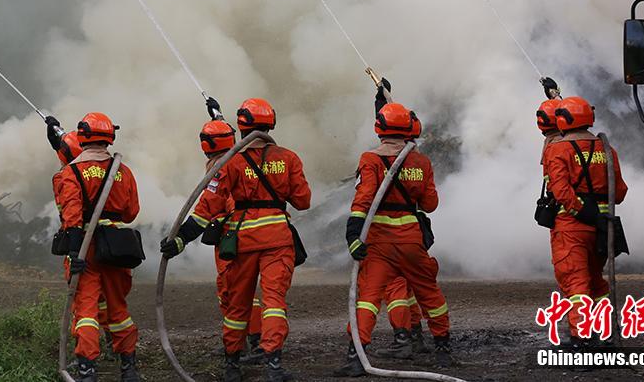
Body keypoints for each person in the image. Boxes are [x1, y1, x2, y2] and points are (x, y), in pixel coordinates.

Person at [162, 98, 311, 382]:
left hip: (241, 241)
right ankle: (273, 365)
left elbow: (208, 206)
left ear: (240, 127)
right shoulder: (289, 158)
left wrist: (180, 239)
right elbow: (303, 201)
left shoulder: (229, 162)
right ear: (272, 124)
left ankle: (232, 365)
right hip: (278, 240)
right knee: (274, 302)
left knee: (237, 306)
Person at [334, 98, 450, 377]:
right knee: (429, 292)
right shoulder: (420, 160)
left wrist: (353, 235)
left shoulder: (371, 159)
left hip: (379, 241)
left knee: (368, 298)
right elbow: (430, 204)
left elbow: (363, 200)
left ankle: (355, 356)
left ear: (378, 128)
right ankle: (443, 350)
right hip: (411, 238)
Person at [53, 112, 141, 382]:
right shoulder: (122, 171)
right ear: (109, 137)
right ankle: (128, 368)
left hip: (85, 250)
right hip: (115, 248)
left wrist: (74, 251)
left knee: (87, 311)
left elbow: (71, 217)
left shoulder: (70, 173)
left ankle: (87, 371)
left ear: (82, 137)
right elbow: (131, 213)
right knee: (118, 310)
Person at [543, 96, 628, 347]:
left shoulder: (558, 149)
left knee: (575, 282)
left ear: (562, 120)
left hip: (570, 227)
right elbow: (619, 192)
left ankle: (583, 340)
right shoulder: (606, 149)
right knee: (596, 281)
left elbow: (561, 192)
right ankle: (605, 333)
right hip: (602, 228)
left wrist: (581, 210)